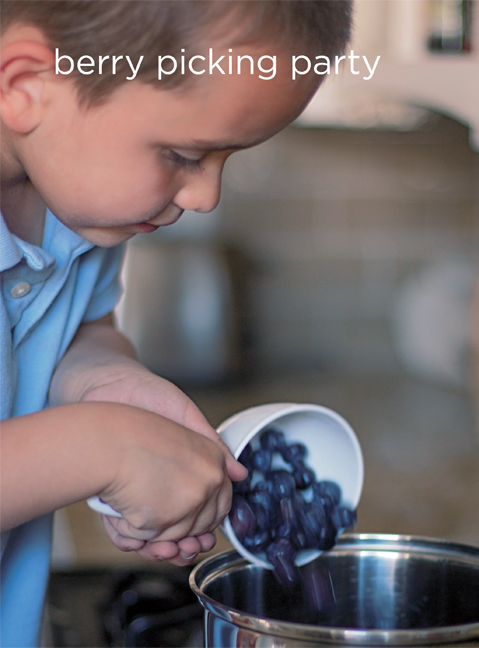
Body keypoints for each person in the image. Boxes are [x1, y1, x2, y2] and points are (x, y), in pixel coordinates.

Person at [0, 1, 352, 645]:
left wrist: (103, 379)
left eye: (226, 159)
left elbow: (78, 328)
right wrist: (100, 448)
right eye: (182, 154)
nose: (204, 196)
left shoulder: (75, 210)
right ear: (26, 86)